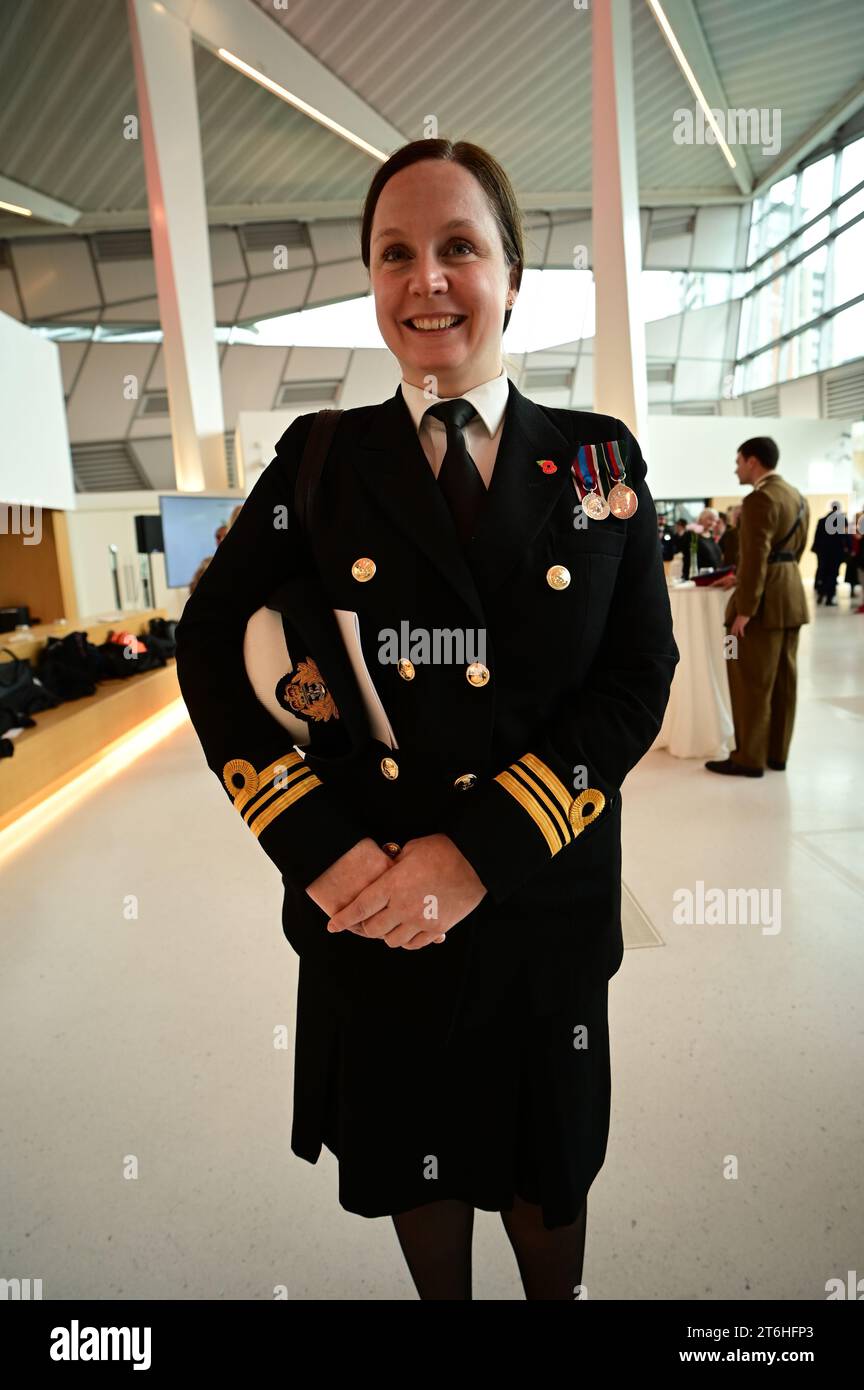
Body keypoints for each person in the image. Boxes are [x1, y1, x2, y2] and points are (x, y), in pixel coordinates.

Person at [174, 138, 679, 1300]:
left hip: (538, 899)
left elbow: (634, 680)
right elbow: (207, 642)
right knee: (420, 1173)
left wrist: (479, 852)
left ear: (512, 275)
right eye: (395, 253)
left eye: (460, 247)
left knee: (545, 1182)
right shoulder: (320, 460)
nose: (427, 279)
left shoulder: (598, 461)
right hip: (373, 908)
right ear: (372, 282)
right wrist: (319, 848)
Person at [705, 437, 809, 777]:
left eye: (738, 461)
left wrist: (744, 609)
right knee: (784, 680)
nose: (736, 468)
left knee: (750, 681)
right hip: (791, 596)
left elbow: (755, 557)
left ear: (753, 461)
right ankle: (777, 754)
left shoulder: (759, 499)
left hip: (762, 604)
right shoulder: (797, 496)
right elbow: (792, 550)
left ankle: (748, 758)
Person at [811, 502, 849, 606]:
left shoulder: (822, 521)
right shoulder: (841, 520)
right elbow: (845, 536)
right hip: (836, 552)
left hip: (823, 552)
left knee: (823, 571)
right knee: (833, 574)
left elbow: (817, 536)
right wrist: (848, 549)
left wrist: (815, 548)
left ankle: (821, 592)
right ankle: (829, 597)